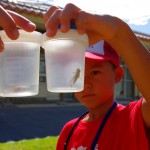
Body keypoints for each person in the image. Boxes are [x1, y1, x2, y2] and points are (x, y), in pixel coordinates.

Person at [44, 3, 150, 150]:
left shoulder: (132, 120)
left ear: (117, 75)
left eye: (95, 72)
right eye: (77, 73)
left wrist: (117, 33)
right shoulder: (69, 130)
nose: (85, 83)